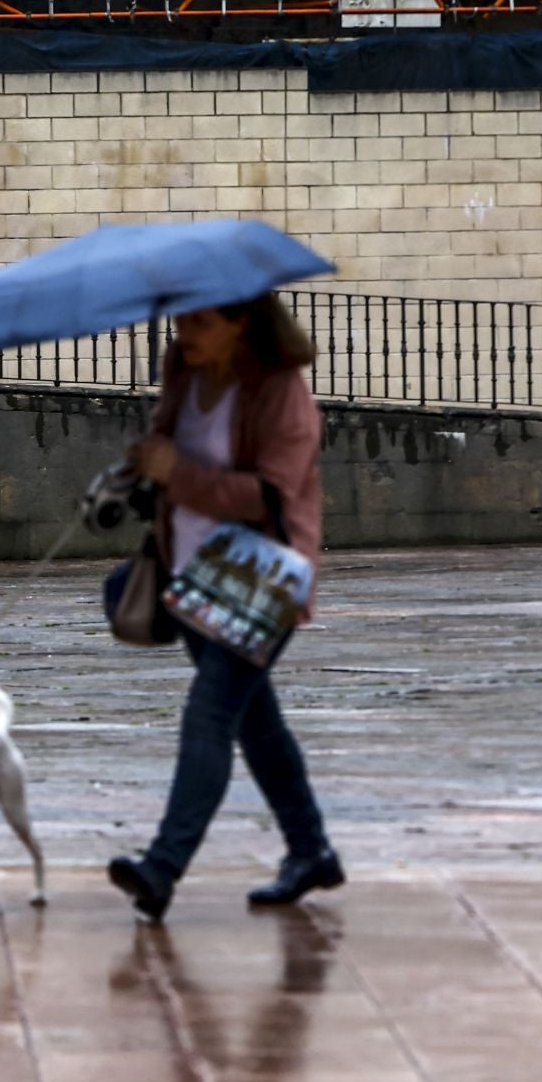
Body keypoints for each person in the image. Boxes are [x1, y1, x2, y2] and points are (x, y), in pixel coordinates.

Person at [106, 293, 344, 922]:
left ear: (241, 324)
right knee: (256, 724)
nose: (186, 333)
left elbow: (269, 494)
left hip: (258, 582)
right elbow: (165, 447)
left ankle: (161, 869)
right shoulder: (183, 372)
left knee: (209, 717)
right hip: (185, 574)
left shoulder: (279, 391)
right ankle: (311, 850)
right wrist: (138, 471)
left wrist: (177, 472)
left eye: (201, 323)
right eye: (182, 320)